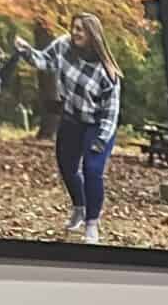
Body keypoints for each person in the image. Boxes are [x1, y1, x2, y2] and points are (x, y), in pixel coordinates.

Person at [16, 13, 118, 245]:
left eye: (81, 29)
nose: (75, 33)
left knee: (92, 170)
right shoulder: (63, 46)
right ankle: (79, 208)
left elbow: (111, 113)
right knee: (67, 167)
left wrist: (101, 140)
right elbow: (44, 61)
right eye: (74, 28)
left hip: (98, 125)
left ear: (93, 34)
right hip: (72, 120)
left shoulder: (107, 72)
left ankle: (92, 223)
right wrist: (25, 50)